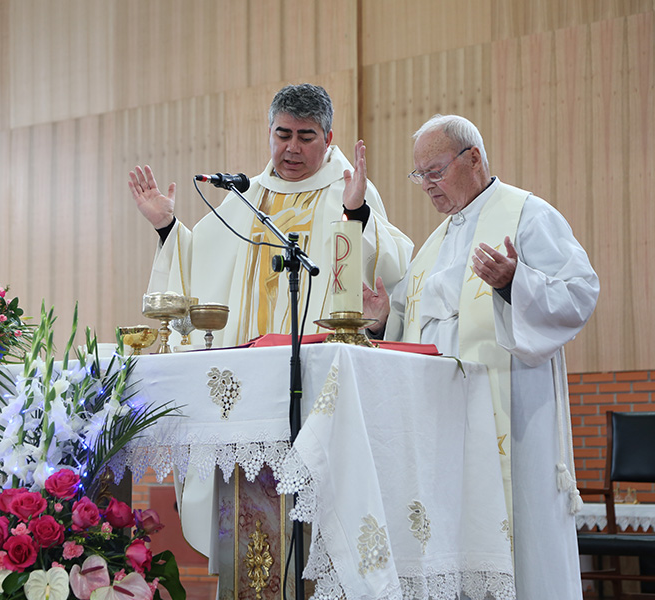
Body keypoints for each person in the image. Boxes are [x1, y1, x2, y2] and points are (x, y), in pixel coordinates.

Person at [365, 114, 599, 599]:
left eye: (434, 171)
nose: (427, 186)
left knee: (522, 544)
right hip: (445, 431)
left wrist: (516, 283)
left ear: (473, 158)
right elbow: (411, 332)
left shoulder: (527, 214)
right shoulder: (431, 246)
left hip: (512, 421)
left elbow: (580, 292)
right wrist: (385, 316)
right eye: (419, 176)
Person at [129, 83, 413, 348]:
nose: (292, 147)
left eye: (306, 136)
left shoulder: (349, 190)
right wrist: (165, 226)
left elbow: (390, 272)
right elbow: (200, 264)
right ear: (269, 133)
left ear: (327, 139)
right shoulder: (248, 196)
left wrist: (356, 212)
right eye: (283, 134)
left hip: (317, 361)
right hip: (246, 361)